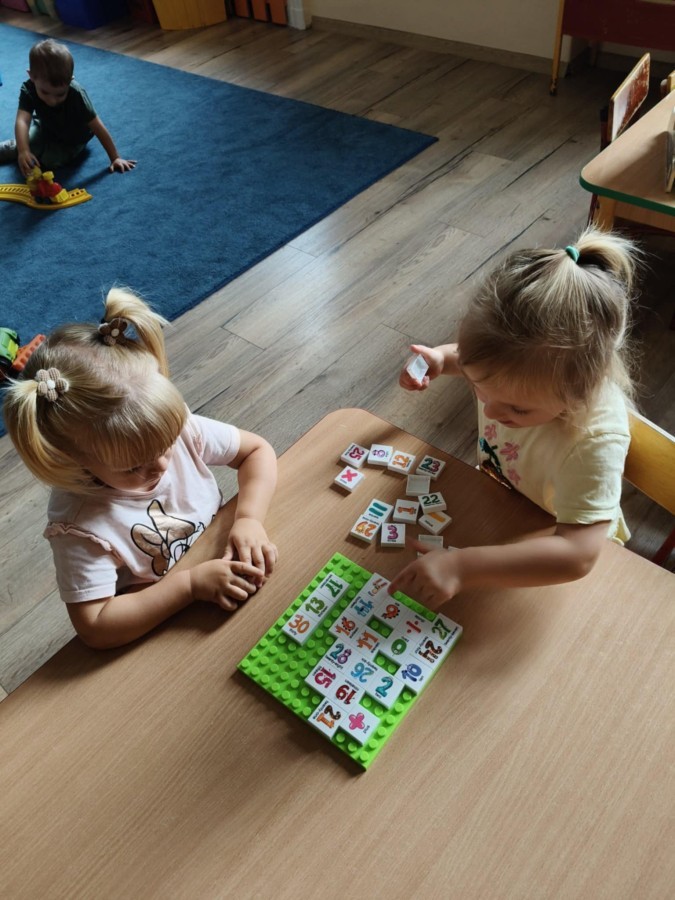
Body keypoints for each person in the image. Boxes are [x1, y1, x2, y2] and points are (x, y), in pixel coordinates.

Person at [3, 288, 278, 649]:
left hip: (217, 559)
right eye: (134, 467)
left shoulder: (173, 431)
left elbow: (256, 451)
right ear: (72, 458)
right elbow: (95, 625)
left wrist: (249, 519)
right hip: (164, 620)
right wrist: (189, 585)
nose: (162, 464)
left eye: (167, 445)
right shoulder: (81, 526)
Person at [390, 227, 640, 609]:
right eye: (478, 386)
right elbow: (472, 361)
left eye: (517, 409)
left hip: (554, 544)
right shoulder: (511, 379)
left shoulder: (594, 441)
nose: (490, 411)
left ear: (580, 394)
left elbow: (577, 554)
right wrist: (440, 359)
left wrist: (463, 567)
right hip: (506, 501)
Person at [0, 39, 135, 176]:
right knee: (25, 146)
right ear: (31, 77)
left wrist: (115, 157)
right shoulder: (28, 89)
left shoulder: (77, 94)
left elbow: (97, 125)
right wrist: (23, 151)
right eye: (45, 92)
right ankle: (16, 146)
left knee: (48, 161)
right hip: (45, 128)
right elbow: (22, 121)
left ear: (71, 80)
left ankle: (28, 149)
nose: (52, 100)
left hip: (73, 138)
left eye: (60, 94)